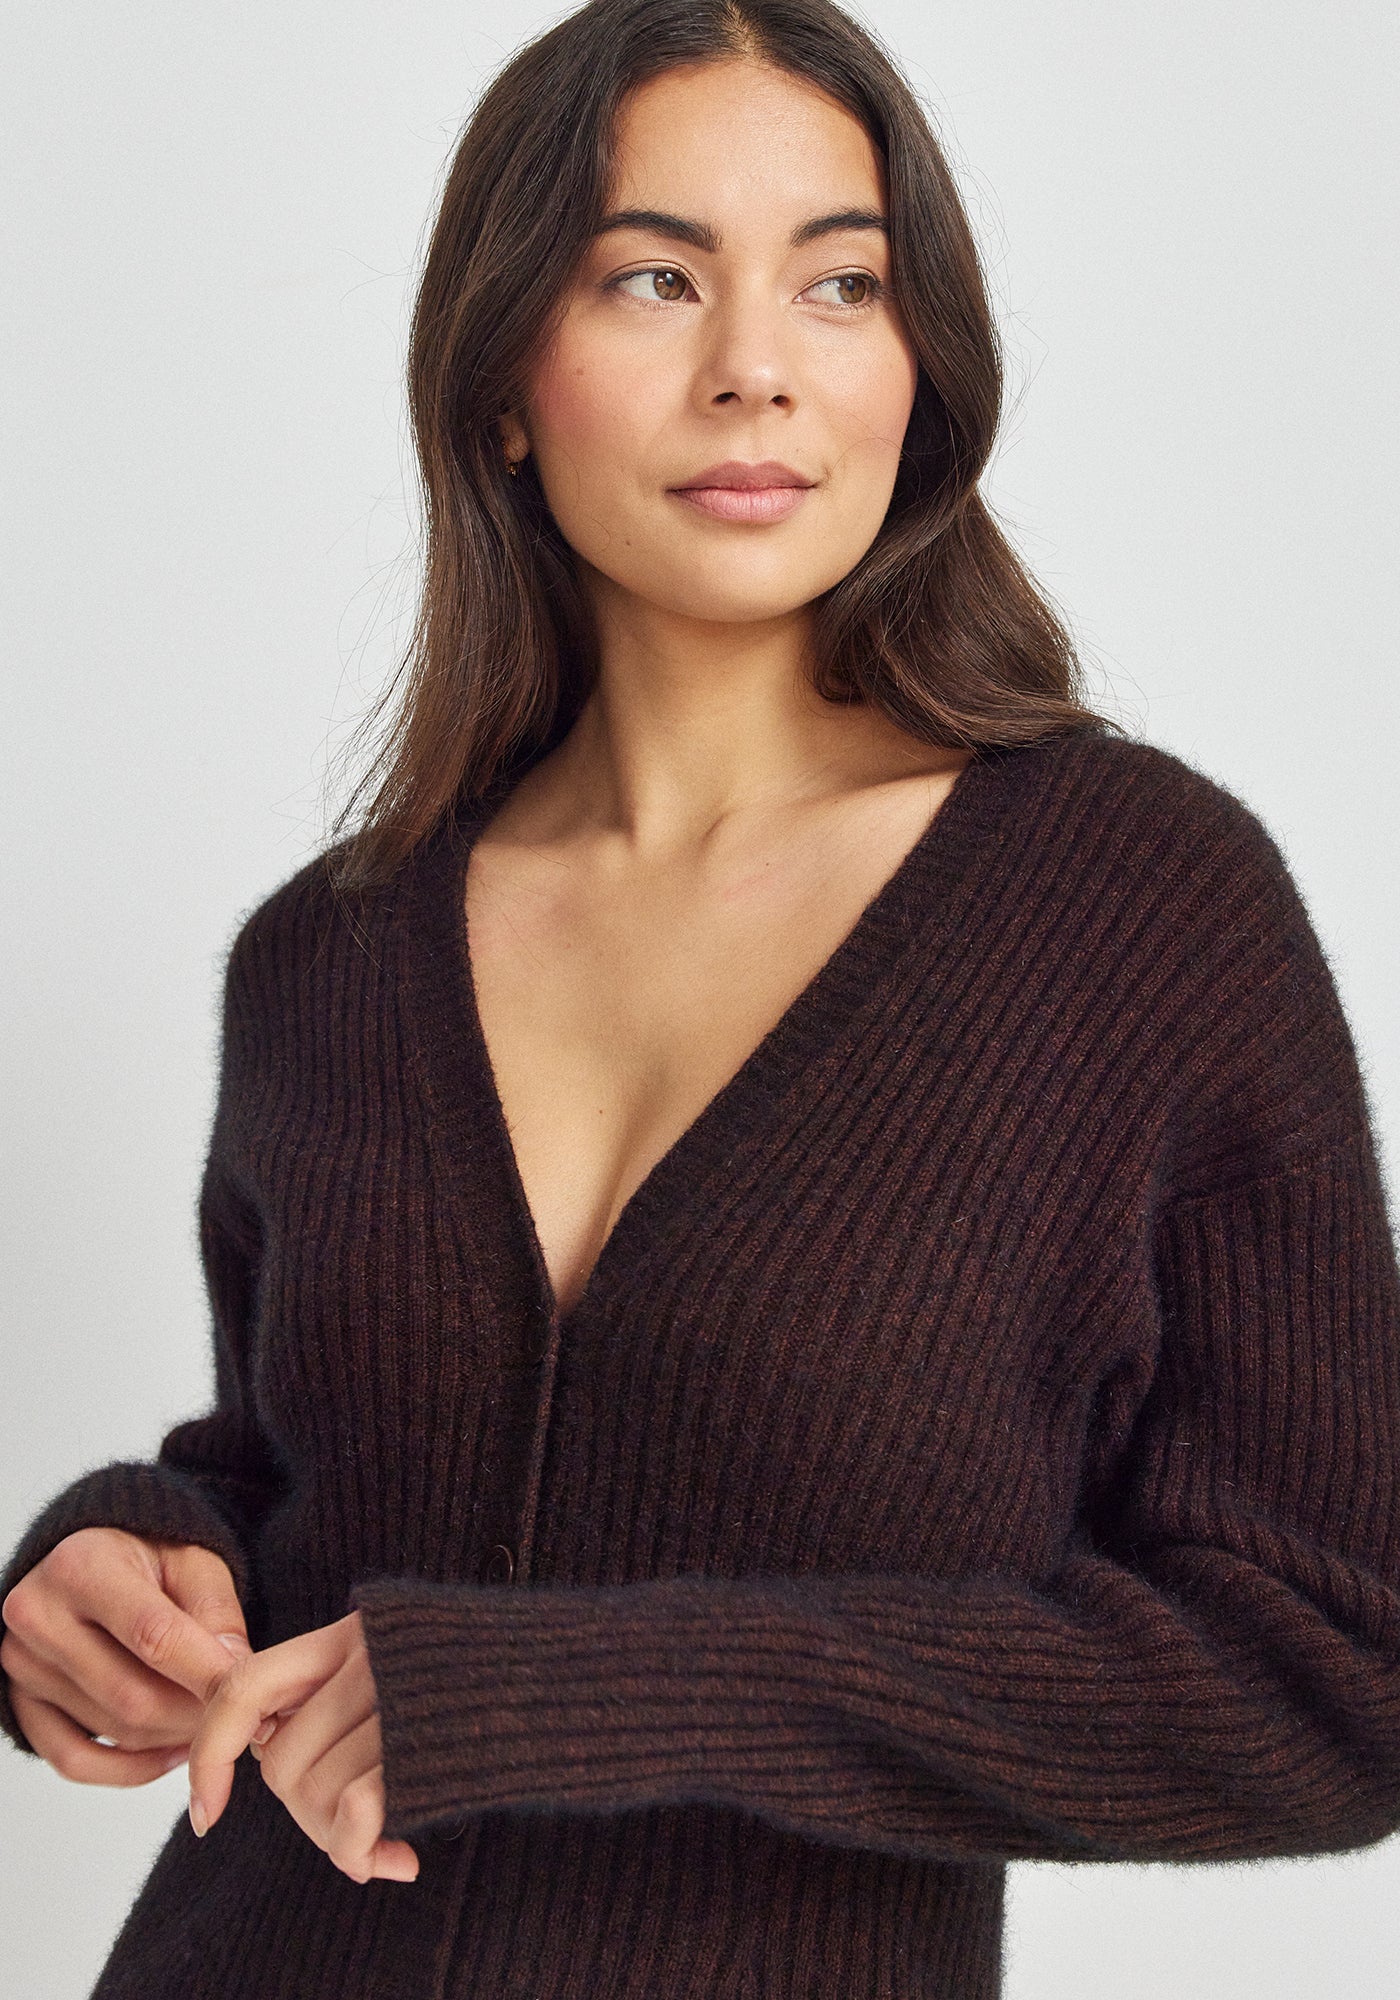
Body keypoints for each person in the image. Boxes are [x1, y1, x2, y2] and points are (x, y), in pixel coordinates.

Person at [3, 1, 1399, 1994]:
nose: (755, 366)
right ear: (504, 379)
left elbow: (1331, 1676)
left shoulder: (1135, 908)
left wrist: (595, 1689)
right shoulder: (329, 953)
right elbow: (302, 1478)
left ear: (918, 371)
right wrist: (125, 1561)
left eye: (842, 284)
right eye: (653, 278)